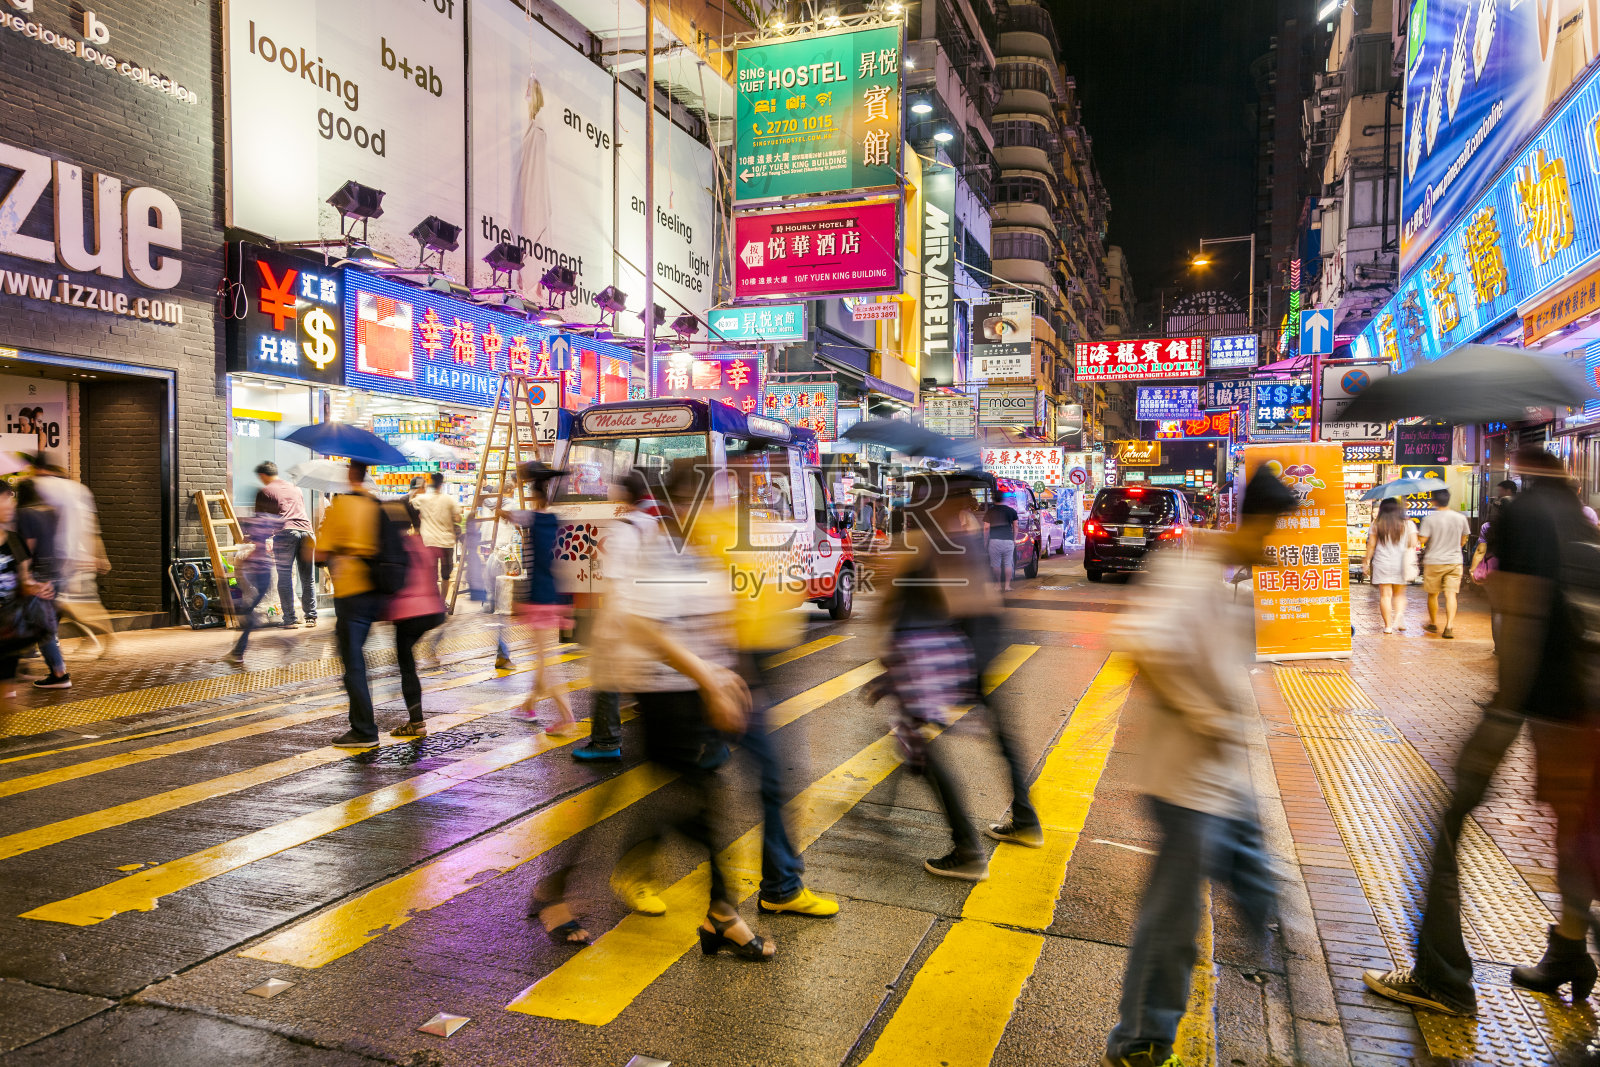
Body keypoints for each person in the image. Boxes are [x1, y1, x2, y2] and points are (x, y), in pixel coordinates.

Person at [1364, 447, 1600, 1018]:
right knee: (1581, 834)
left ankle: (1443, 980)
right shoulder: (1582, 513)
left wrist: (1499, 718)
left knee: (1447, 826)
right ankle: (1569, 947)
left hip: (1553, 709)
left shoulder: (1519, 514)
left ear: (1516, 460)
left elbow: (1520, 617)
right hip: (1587, 707)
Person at [528, 461, 769, 960]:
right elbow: (645, 627)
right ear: (682, 502)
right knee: (696, 799)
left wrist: (727, 677)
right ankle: (720, 913)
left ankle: (560, 888)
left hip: (690, 693)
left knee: (657, 799)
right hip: (659, 690)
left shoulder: (697, 550)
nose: (718, 509)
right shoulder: (657, 546)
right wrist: (711, 679)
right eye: (709, 500)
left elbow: (711, 620)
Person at [1101, 467, 1296, 1067]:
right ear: (1255, 524)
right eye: (1275, 533)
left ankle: (1280, 966)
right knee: (1174, 918)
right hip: (1184, 782)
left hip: (1223, 780)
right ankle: (1140, 1036)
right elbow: (1141, 647)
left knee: (1258, 880)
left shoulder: (1228, 581)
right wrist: (1200, 715)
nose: (1277, 547)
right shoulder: (1189, 574)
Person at [876, 471, 1038, 881]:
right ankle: (1025, 818)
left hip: (955, 646)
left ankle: (967, 848)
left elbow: (954, 599)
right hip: (975, 641)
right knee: (999, 734)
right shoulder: (960, 535)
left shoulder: (932, 540)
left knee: (920, 746)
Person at [700, 448, 839, 916]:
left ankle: (781, 884)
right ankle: (781, 886)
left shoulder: (761, 527)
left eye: (763, 477)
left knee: (705, 776)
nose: (760, 483)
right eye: (751, 474)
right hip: (728, 672)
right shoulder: (712, 529)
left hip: (753, 670)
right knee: (768, 777)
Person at [571, 470, 656, 763]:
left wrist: (605, 625)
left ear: (622, 495)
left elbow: (616, 583)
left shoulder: (623, 530)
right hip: (653, 613)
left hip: (626, 615)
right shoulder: (655, 524)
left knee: (607, 679)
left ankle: (606, 740)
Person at [315, 461, 388, 749]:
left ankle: (364, 728)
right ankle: (363, 722)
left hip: (350, 591)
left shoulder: (341, 506)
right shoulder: (376, 505)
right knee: (359, 658)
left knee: (352, 662)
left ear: (350, 474)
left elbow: (320, 552)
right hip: (375, 592)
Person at [500, 462, 576, 734]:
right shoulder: (555, 519)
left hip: (540, 599)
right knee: (543, 658)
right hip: (553, 596)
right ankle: (528, 705)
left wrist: (508, 489)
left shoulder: (532, 519)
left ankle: (566, 715)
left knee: (546, 662)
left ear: (535, 496)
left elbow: (502, 512)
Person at [31, 461, 113, 655]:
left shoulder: (48, 488)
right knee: (67, 606)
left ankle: (107, 638)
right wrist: (100, 556)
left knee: (68, 605)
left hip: (64, 557)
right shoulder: (82, 492)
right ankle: (93, 639)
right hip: (78, 556)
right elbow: (94, 529)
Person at [385, 498, 447, 738]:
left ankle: (416, 722)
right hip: (434, 611)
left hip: (409, 614)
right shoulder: (421, 543)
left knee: (406, 666)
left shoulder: (393, 548)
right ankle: (415, 720)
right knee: (407, 661)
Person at [15, 480, 68, 689]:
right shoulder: (51, 511)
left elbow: (28, 547)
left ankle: (59, 673)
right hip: (57, 572)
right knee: (42, 624)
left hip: (40, 574)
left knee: (43, 628)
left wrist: (26, 576)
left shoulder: (26, 514)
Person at [253, 461, 317, 629]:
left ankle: (290, 619)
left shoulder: (265, 491)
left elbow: (262, 521)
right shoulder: (295, 488)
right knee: (308, 577)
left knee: (285, 577)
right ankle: (311, 617)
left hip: (286, 533)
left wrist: (257, 540)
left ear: (262, 475)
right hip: (308, 532)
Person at [224, 512, 282, 666]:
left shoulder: (261, 521)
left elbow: (258, 547)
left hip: (259, 574)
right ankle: (237, 651)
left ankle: (238, 653)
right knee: (248, 613)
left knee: (249, 615)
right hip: (260, 573)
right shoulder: (264, 520)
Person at [1418, 488, 1470, 639]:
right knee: (1451, 595)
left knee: (1433, 594)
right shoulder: (1460, 518)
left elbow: (1422, 541)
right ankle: (1449, 626)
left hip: (1434, 561)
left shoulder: (1429, 519)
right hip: (1454, 561)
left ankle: (1433, 623)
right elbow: (1463, 540)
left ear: (1434, 501)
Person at [1364, 497, 1418, 634]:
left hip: (1382, 562)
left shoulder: (1376, 524)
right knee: (1399, 594)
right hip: (1401, 563)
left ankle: (1388, 626)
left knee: (1385, 595)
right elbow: (1413, 543)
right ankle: (1399, 614)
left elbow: (1371, 545)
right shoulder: (1408, 524)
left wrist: (1366, 561)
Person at [412, 471, 461, 596]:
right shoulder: (449, 499)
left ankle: (433, 600)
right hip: (446, 542)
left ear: (430, 483)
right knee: (446, 574)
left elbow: (411, 501)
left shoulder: (423, 499)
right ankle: (442, 601)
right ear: (441, 484)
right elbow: (458, 518)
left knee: (431, 574)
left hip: (429, 541)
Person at [984, 492, 1019, 592]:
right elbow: (1016, 526)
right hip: (1008, 540)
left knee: (996, 564)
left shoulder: (990, 511)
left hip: (994, 541)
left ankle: (998, 585)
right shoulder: (1011, 511)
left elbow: (986, 528)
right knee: (1008, 564)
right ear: (1004, 499)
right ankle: (1007, 586)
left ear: (993, 499)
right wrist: (1014, 539)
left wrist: (985, 542)